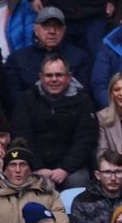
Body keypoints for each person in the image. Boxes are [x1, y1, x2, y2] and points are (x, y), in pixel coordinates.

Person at [11, 53, 98, 190]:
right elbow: (22, 136)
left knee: (78, 180)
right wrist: (38, 168)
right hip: (34, 166)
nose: (54, 79)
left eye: (59, 75)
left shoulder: (83, 101)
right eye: (49, 75)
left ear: (69, 77)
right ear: (41, 77)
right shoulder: (26, 100)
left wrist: (64, 169)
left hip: (71, 169)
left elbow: (86, 139)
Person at [4, 6, 90, 107]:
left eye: (57, 26)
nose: (52, 31)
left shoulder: (79, 57)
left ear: (64, 30)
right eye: (46, 26)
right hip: (31, 116)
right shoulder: (17, 59)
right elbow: (14, 97)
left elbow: (83, 94)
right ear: (36, 30)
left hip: (69, 114)